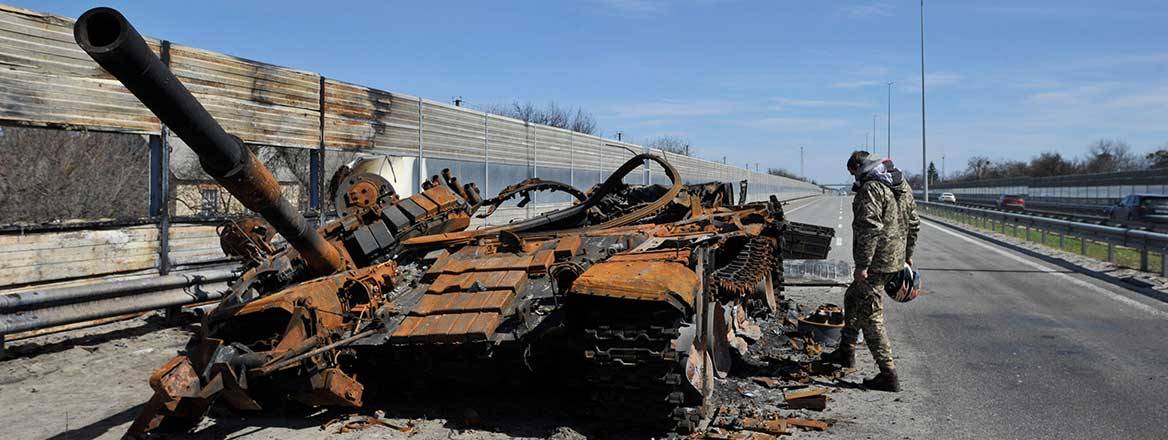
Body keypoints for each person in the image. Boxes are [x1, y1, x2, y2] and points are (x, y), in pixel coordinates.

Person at [820, 151, 919, 392]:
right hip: (893, 259)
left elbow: (868, 228)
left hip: (876, 262)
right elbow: (914, 222)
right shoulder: (900, 184)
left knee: (872, 315)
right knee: (852, 297)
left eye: (853, 173)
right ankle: (846, 352)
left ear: (858, 167)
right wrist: (907, 254)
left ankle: (889, 374)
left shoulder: (872, 189)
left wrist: (862, 265)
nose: (854, 178)